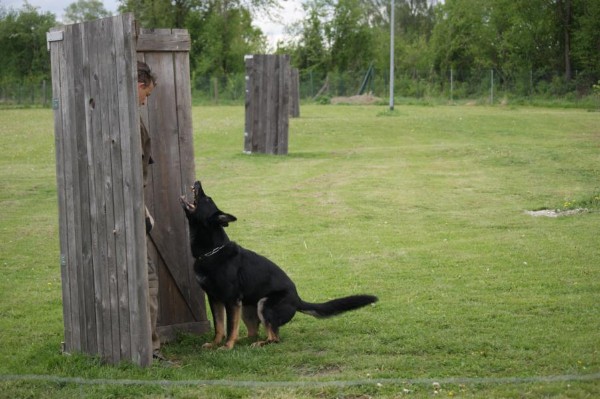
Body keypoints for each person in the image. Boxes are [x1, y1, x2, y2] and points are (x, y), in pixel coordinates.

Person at [136, 60, 164, 363]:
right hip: (129, 211)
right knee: (148, 279)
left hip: (131, 207)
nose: (146, 101)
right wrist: (142, 210)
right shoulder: (129, 119)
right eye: (147, 94)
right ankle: (150, 349)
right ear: (140, 84)